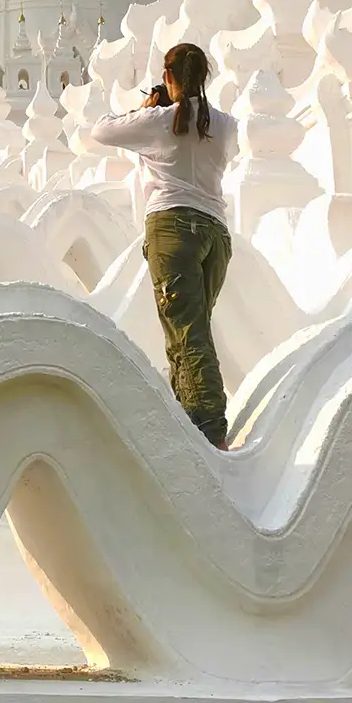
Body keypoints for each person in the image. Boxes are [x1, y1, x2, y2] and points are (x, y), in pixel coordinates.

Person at [90, 42, 238, 448]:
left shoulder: (158, 121)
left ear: (168, 77)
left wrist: (146, 111)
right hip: (216, 233)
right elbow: (209, 140)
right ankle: (188, 415)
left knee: (186, 332)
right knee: (192, 329)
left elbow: (100, 129)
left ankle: (209, 428)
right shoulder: (226, 124)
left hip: (173, 228)